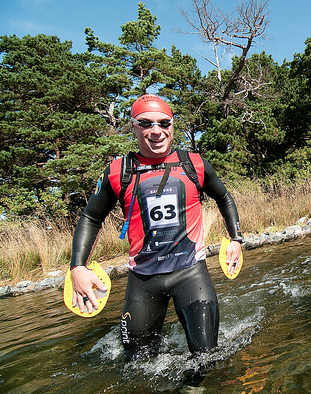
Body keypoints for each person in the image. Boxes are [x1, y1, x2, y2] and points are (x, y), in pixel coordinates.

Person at [69, 94, 244, 357]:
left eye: (164, 123)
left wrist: (236, 239)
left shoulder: (194, 163)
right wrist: (77, 266)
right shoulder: (119, 171)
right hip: (143, 281)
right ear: (133, 126)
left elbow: (224, 198)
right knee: (137, 364)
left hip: (191, 274)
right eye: (145, 123)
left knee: (207, 358)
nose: (156, 131)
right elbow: (91, 218)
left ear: (172, 125)